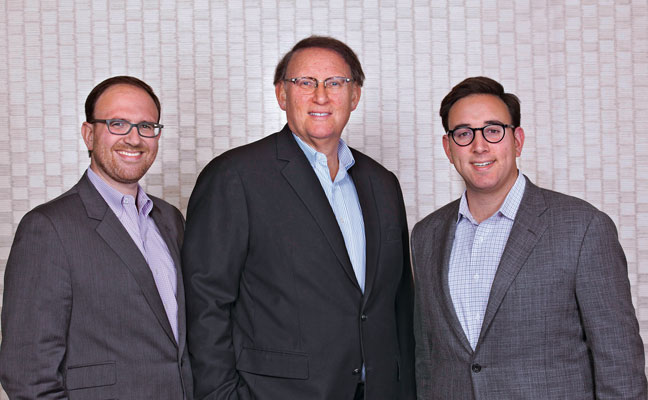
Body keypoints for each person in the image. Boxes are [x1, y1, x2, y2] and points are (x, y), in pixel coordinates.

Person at [182, 36, 416, 400]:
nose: (321, 96)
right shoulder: (236, 176)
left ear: (354, 96)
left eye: (336, 83)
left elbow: (398, 302)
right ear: (281, 95)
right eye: (305, 83)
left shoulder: (382, 183)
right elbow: (205, 302)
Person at [411, 76, 647, 399]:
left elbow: (620, 367)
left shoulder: (583, 228)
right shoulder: (426, 236)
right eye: (463, 134)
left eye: (493, 131)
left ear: (517, 140)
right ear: (448, 147)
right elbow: (427, 362)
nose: (479, 146)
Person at [0, 76, 193, 399]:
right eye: (118, 124)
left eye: (146, 126)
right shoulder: (48, 228)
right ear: (89, 134)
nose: (134, 139)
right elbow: (27, 375)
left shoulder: (170, 220)